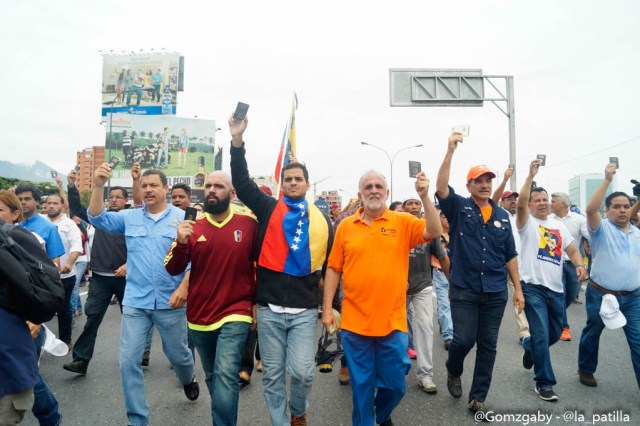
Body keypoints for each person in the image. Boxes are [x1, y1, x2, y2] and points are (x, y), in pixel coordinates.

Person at [229, 114, 333, 426]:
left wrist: (329, 307)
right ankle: (281, 422)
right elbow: (243, 183)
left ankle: (298, 410)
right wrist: (237, 141)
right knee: (272, 375)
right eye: (287, 179)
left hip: (303, 311)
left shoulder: (322, 221)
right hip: (270, 310)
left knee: (301, 372)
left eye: (297, 179)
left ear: (307, 184)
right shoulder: (268, 208)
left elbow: (331, 269)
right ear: (282, 184)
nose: (292, 183)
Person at [322, 170, 442, 425]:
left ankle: (381, 414)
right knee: (362, 388)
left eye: (379, 186)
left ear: (387, 193)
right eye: (368, 186)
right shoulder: (345, 226)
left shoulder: (402, 221)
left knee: (396, 384)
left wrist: (425, 197)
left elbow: (434, 229)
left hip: (393, 321)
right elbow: (333, 268)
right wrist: (326, 309)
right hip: (355, 323)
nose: (374, 190)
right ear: (360, 194)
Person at [88, 165, 199, 426]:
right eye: (144, 186)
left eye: (153, 185)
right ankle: (138, 419)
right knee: (128, 362)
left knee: (179, 356)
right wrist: (97, 185)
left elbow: (196, 259)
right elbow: (97, 218)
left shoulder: (183, 219)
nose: (148, 189)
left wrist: (184, 287)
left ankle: (188, 378)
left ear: (165, 189)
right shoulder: (130, 217)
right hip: (136, 301)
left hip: (171, 302)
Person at [435, 132, 524, 416]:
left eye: (488, 181)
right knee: (463, 341)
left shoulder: (502, 216)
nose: (485, 185)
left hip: (496, 291)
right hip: (465, 289)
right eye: (479, 181)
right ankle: (453, 369)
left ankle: (478, 397)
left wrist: (518, 290)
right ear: (469, 185)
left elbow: (510, 254)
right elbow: (440, 188)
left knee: (488, 345)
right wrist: (449, 151)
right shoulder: (460, 207)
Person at [165, 171, 259, 426]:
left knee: (226, 375)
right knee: (212, 376)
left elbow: (260, 264)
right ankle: (221, 415)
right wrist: (181, 241)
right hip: (199, 315)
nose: (211, 190)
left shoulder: (248, 223)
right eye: (208, 186)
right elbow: (172, 268)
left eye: (219, 186)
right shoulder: (192, 227)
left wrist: (256, 303)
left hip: (236, 310)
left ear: (232, 193)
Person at [516, 160, 587, 401]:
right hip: (532, 287)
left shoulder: (558, 226)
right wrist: (529, 175)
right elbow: (520, 203)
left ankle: (529, 348)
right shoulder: (526, 224)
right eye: (537, 200)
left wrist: (579, 265)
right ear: (529, 205)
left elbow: (573, 250)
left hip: (556, 289)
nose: (543, 203)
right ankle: (544, 381)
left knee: (554, 333)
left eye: (545, 199)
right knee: (543, 333)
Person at [578, 163, 640, 389]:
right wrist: (606, 179)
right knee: (593, 332)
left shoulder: (636, 233)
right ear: (607, 211)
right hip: (601, 295)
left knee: (638, 342)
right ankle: (585, 368)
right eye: (617, 206)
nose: (623, 210)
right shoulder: (600, 229)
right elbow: (590, 210)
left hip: (633, 298)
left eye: (626, 206)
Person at [62, 168, 129, 375]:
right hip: (100, 277)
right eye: (112, 197)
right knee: (92, 319)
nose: (115, 200)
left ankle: (137, 355)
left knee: (134, 320)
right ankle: (81, 360)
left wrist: (130, 265)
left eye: (119, 197)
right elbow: (77, 209)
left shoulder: (131, 219)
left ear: (127, 201)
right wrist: (72, 186)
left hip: (127, 279)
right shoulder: (99, 218)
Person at [0, 191, 41, 425]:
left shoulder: (22, 242)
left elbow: (44, 291)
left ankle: (50, 418)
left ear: (15, 215)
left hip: (9, 360)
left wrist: (37, 318)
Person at [403, 195, 448, 394]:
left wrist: (452, 282)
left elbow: (442, 257)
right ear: (403, 208)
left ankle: (425, 375)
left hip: (423, 286)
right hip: (397, 288)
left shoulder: (429, 229)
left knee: (425, 329)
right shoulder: (397, 228)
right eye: (409, 204)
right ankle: (393, 371)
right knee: (393, 332)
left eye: (416, 204)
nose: (413, 207)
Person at [491, 168, 531, 344]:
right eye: (509, 199)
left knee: (518, 293)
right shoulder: (495, 213)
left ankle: (525, 334)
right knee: (494, 300)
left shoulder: (522, 217)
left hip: (516, 263)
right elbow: (492, 200)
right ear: (502, 202)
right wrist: (505, 180)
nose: (513, 201)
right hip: (498, 263)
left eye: (515, 199)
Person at [549, 191, 589, 342]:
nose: (550, 203)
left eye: (553, 201)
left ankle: (554, 315)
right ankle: (564, 327)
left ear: (563, 203)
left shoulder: (579, 219)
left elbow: (589, 236)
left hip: (572, 264)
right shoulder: (548, 219)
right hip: (555, 264)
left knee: (571, 295)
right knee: (562, 295)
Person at [44, 194, 83, 347]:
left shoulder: (69, 224)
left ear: (62, 205)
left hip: (65, 274)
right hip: (41, 275)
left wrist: (69, 263)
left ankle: (65, 340)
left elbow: (76, 246)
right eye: (49, 203)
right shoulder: (40, 221)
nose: (51, 206)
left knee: (63, 308)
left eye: (55, 203)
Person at [16, 185, 64, 268]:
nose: (23, 202)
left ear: (37, 201)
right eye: (19, 199)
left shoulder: (49, 228)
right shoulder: (11, 224)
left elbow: (55, 265)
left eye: (27, 199)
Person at [431, 205, 453, 350]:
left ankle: (445, 324)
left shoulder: (458, 234)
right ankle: (448, 336)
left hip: (457, 273)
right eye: (444, 216)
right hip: (440, 273)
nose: (447, 219)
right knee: (445, 304)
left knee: (455, 304)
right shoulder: (434, 236)